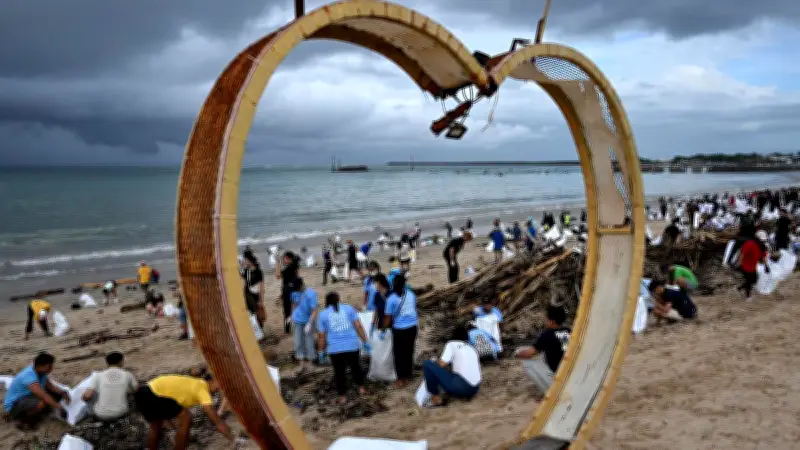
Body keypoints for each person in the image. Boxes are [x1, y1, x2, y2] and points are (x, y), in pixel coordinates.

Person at [135, 373, 233, 450]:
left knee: (156, 426)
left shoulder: (193, 383)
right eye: (220, 385)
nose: (219, 389)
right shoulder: (202, 387)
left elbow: (167, 409)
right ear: (212, 380)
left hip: (143, 392)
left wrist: (173, 430)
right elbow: (216, 420)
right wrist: (233, 438)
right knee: (186, 418)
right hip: (155, 393)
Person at [316, 292, 369, 404]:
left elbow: (321, 336)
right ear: (339, 299)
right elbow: (358, 326)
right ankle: (361, 388)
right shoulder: (349, 309)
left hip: (335, 348)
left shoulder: (323, 314)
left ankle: (342, 396)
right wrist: (365, 341)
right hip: (352, 345)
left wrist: (321, 351)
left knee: (339, 372)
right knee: (356, 367)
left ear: (327, 301)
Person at [4, 352, 70, 427]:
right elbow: (43, 395)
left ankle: (38, 411)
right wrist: (60, 407)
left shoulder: (41, 373)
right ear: (41, 366)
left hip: (27, 397)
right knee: (43, 401)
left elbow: (51, 387)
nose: (51, 368)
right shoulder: (29, 376)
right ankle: (24, 420)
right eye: (49, 366)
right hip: (14, 405)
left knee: (56, 395)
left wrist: (63, 392)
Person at [515, 306, 571, 395]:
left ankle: (550, 391)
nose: (545, 320)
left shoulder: (547, 335)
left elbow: (529, 354)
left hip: (558, 376)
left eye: (546, 318)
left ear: (552, 321)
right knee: (544, 354)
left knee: (528, 363)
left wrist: (517, 354)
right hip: (570, 373)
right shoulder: (568, 331)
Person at [422, 325, 481, 406]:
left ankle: (436, 398)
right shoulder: (472, 348)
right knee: (451, 374)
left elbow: (442, 364)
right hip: (475, 389)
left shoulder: (451, 344)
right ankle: (458, 392)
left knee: (427, 364)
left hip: (463, 387)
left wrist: (435, 361)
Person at [383, 274, 418, 388]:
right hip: (412, 327)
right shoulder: (411, 294)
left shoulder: (391, 299)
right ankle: (408, 375)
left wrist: (383, 329)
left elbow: (388, 317)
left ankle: (401, 379)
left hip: (400, 329)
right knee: (409, 351)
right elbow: (413, 308)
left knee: (399, 354)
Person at [82, 351, 137, 422]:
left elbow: (87, 396)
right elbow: (136, 390)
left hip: (101, 415)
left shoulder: (98, 375)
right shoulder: (127, 374)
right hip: (121, 413)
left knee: (92, 394)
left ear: (107, 363)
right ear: (121, 362)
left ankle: (92, 417)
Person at [291, 278, 319, 369]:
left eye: (297, 289)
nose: (296, 291)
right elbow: (294, 304)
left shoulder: (311, 294)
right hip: (298, 321)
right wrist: (292, 316)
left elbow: (314, 310)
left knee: (309, 342)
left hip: (308, 320)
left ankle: (310, 363)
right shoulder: (294, 293)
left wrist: (310, 323)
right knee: (298, 342)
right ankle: (301, 364)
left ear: (301, 286)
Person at [737, 231, 769, 301]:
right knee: (749, 280)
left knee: (754, 280)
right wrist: (740, 264)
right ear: (757, 239)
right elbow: (742, 254)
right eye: (761, 241)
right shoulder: (749, 244)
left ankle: (740, 288)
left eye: (763, 241)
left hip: (753, 266)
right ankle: (747, 296)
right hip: (745, 265)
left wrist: (766, 266)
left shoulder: (762, 247)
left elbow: (763, 256)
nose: (762, 242)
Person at [240, 249, 265, 329]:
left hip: (256, 295)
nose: (244, 261)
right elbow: (242, 279)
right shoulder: (246, 271)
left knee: (258, 313)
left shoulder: (258, 271)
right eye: (244, 260)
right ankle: (255, 331)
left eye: (245, 260)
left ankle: (260, 330)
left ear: (250, 260)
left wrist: (261, 300)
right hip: (247, 294)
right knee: (251, 314)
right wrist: (241, 267)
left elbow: (261, 286)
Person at [277, 251, 300, 335]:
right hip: (294, 290)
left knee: (287, 312)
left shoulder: (288, 269)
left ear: (288, 259)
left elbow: (278, 275)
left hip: (288, 292)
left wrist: (277, 263)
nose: (283, 260)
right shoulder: (295, 266)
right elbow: (297, 277)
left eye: (284, 258)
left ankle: (287, 331)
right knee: (294, 310)